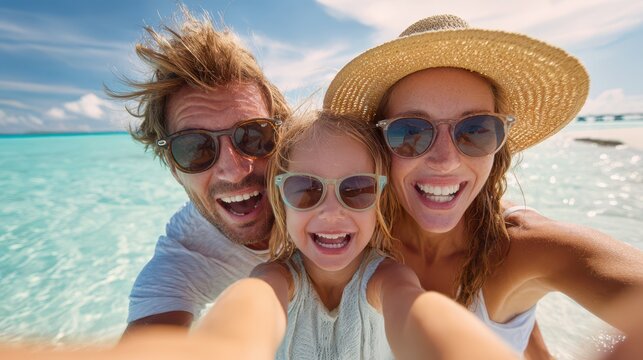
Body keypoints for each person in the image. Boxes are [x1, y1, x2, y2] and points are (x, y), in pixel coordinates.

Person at [323, 14, 643, 358]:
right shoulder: (352, 234)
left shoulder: (523, 247)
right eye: (410, 132)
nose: (445, 160)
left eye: (475, 130)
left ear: (499, 145)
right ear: (380, 144)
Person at [200, 109, 517, 359]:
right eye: (305, 189)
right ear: (281, 202)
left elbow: (414, 313)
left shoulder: (389, 279)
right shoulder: (272, 280)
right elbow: (245, 315)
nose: (331, 212)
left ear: (380, 199)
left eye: (357, 189)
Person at [106, 6, 290, 333]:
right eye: (194, 148)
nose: (233, 170)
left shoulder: (336, 188)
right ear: (174, 169)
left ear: (282, 136)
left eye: (253, 135)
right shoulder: (184, 260)